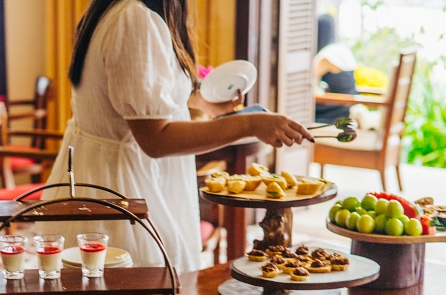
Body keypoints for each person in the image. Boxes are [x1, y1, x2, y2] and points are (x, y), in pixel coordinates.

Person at [38, 0, 311, 273]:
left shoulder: (114, 11)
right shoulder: (134, 20)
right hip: (124, 188)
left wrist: (200, 100)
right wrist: (249, 124)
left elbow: (134, 89)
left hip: (100, 176)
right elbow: (156, 139)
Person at [314, 14, 359, 125]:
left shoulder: (325, 57)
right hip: (348, 106)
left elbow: (309, 84)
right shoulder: (341, 49)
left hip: (335, 114)